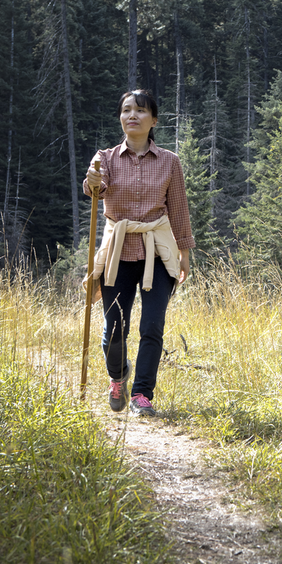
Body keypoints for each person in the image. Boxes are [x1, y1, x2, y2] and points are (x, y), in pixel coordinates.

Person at [83, 89, 194, 417]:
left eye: (141, 111)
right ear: (120, 117)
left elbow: (178, 209)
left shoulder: (170, 162)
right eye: (127, 110)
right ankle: (117, 378)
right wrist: (91, 181)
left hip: (158, 252)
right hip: (118, 251)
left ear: (154, 120)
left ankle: (142, 394)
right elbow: (96, 191)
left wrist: (184, 253)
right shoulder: (104, 158)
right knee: (114, 328)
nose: (133, 115)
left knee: (152, 325)